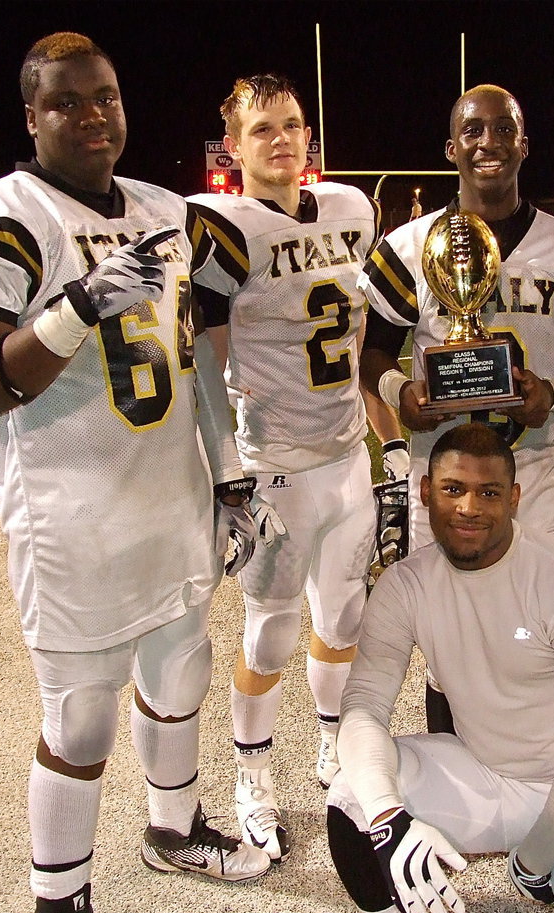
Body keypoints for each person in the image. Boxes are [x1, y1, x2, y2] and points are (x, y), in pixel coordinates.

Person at [0, 33, 272, 913]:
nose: (93, 115)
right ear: (31, 116)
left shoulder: (164, 208)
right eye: (67, 102)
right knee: (79, 722)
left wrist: (230, 477)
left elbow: (198, 356)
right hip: (71, 517)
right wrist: (74, 309)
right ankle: (58, 906)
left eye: (105, 97)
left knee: (179, 672)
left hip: (172, 496)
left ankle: (173, 825)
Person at [325, 423, 554, 913]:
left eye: (488, 492)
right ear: (425, 491)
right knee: (352, 792)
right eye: (453, 489)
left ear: (514, 498)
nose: (469, 507)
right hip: (488, 775)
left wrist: (533, 863)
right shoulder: (406, 584)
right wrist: (389, 818)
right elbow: (362, 707)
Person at [187, 74, 404, 863]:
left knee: (343, 622)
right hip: (275, 465)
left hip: (345, 456)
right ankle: (253, 779)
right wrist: (227, 470)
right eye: (263, 130)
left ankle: (331, 748)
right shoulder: (221, 224)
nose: (281, 140)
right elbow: (206, 363)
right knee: (270, 634)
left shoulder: (352, 207)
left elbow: (365, 339)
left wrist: (390, 444)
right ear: (235, 147)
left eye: (292, 124)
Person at [357, 85, 554, 728]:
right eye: (472, 132)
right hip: (445, 485)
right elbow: (372, 356)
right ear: (451, 148)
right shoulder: (408, 247)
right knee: (452, 654)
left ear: (524, 143)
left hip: (534, 477)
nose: (488, 143)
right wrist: (402, 395)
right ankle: (464, 805)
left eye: (504, 129)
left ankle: (547, 793)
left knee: (551, 639)